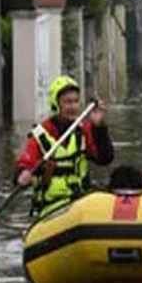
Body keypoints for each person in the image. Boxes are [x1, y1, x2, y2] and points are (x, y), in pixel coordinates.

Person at [15, 75, 114, 217]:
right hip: (52, 208)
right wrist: (22, 174)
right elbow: (24, 164)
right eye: (68, 102)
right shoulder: (40, 136)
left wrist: (99, 127)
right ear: (56, 105)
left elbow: (105, 158)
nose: (73, 106)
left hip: (81, 202)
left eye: (75, 101)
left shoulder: (84, 130)